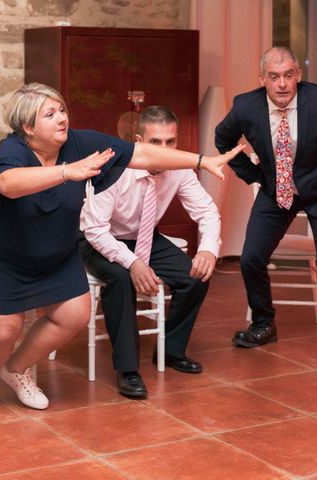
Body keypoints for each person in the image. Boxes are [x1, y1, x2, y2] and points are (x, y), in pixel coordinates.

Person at [0, 83, 244, 417]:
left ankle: (16, 368)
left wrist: (201, 160)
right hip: (2, 247)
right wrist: (68, 172)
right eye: (49, 114)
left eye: (62, 110)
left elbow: (139, 154)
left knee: (74, 315)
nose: (61, 119)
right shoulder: (13, 149)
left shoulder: (80, 142)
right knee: (4, 329)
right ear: (27, 127)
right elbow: (7, 184)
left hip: (54, 242)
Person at [215, 46, 317, 367]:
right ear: (262, 80)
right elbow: (222, 140)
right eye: (274, 77)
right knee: (250, 259)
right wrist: (256, 176)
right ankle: (263, 323)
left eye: (288, 75)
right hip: (277, 192)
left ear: (298, 76)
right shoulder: (246, 106)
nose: (282, 84)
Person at [79, 106, 220, 398]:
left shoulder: (179, 169)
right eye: (156, 143)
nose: (164, 150)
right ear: (140, 140)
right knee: (120, 278)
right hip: (98, 239)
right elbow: (94, 230)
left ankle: (171, 350)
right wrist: (132, 264)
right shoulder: (115, 169)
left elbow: (207, 212)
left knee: (195, 277)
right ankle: (128, 370)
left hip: (144, 237)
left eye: (171, 142)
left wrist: (208, 250)